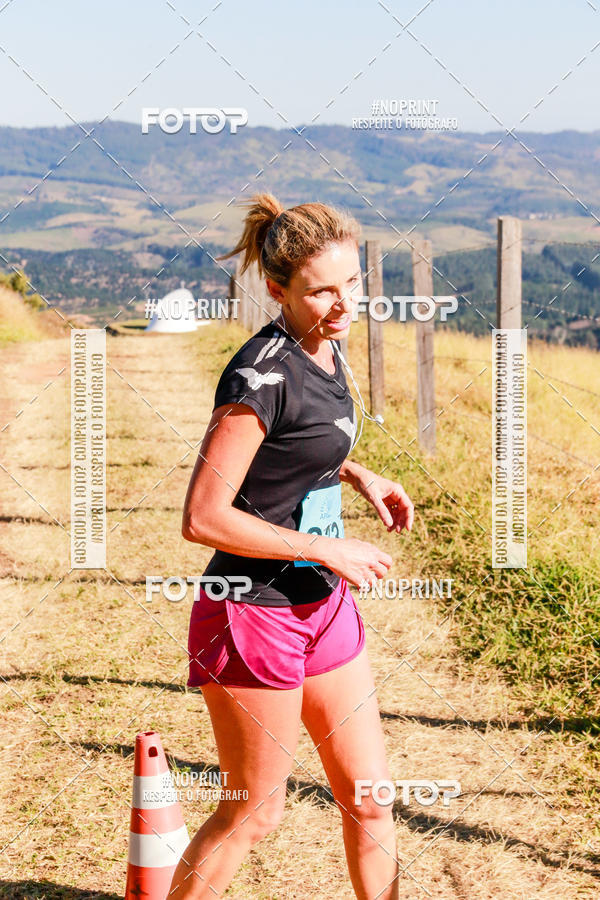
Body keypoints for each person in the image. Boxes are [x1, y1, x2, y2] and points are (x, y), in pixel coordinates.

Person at [169, 193, 414, 899]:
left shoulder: (327, 350)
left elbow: (292, 449)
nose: (342, 306)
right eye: (320, 293)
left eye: (353, 284)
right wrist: (327, 548)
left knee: (370, 798)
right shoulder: (259, 376)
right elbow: (204, 515)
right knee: (255, 812)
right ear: (276, 290)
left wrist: (355, 470)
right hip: (253, 611)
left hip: (322, 609)